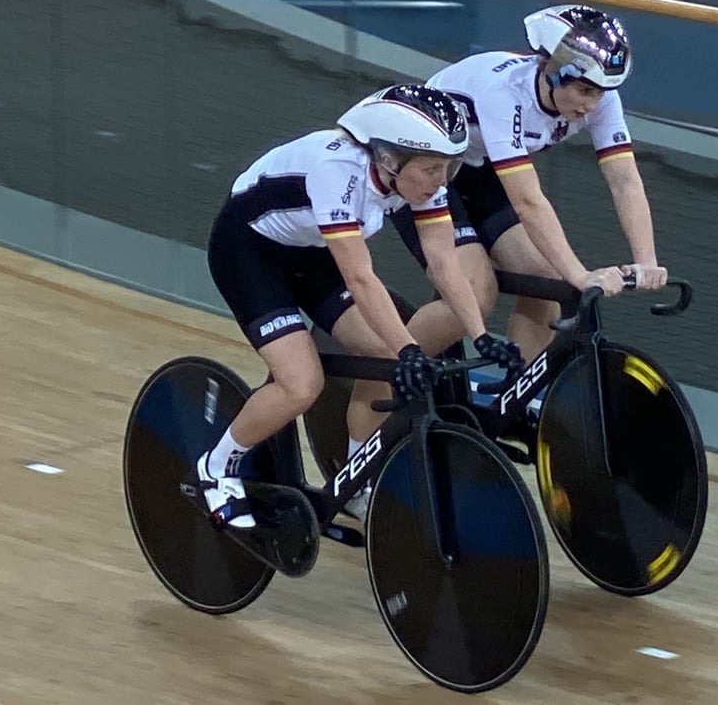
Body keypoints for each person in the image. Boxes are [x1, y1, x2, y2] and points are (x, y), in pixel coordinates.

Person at [199, 84, 523, 529]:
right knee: (301, 385)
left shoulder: (417, 178)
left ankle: (354, 481)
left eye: (448, 167)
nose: (442, 180)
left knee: (384, 358)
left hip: (313, 253)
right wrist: (410, 348)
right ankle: (216, 467)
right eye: (433, 168)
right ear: (389, 159)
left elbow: (444, 261)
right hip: (250, 253)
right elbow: (360, 278)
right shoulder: (336, 172)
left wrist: (480, 335)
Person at [392, 4, 670, 363]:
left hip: (481, 169)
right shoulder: (505, 93)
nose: (592, 104)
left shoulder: (601, 97)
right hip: (425, 174)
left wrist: (646, 261)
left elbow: (624, 179)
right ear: (553, 71)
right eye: (584, 90)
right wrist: (580, 275)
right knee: (475, 293)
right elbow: (528, 201)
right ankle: (385, 378)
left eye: (601, 92)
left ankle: (518, 389)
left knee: (548, 284)